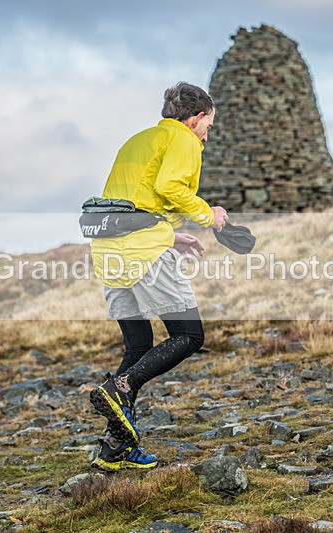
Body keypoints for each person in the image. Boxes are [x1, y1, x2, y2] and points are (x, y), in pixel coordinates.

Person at [88, 82, 228, 471]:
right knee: (189, 335)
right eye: (208, 127)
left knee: (137, 348)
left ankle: (115, 449)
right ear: (196, 117)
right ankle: (122, 387)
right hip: (143, 251)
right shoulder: (183, 138)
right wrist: (208, 216)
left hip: (109, 251)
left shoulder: (138, 139)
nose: (206, 135)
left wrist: (171, 233)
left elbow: (137, 197)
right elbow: (169, 187)